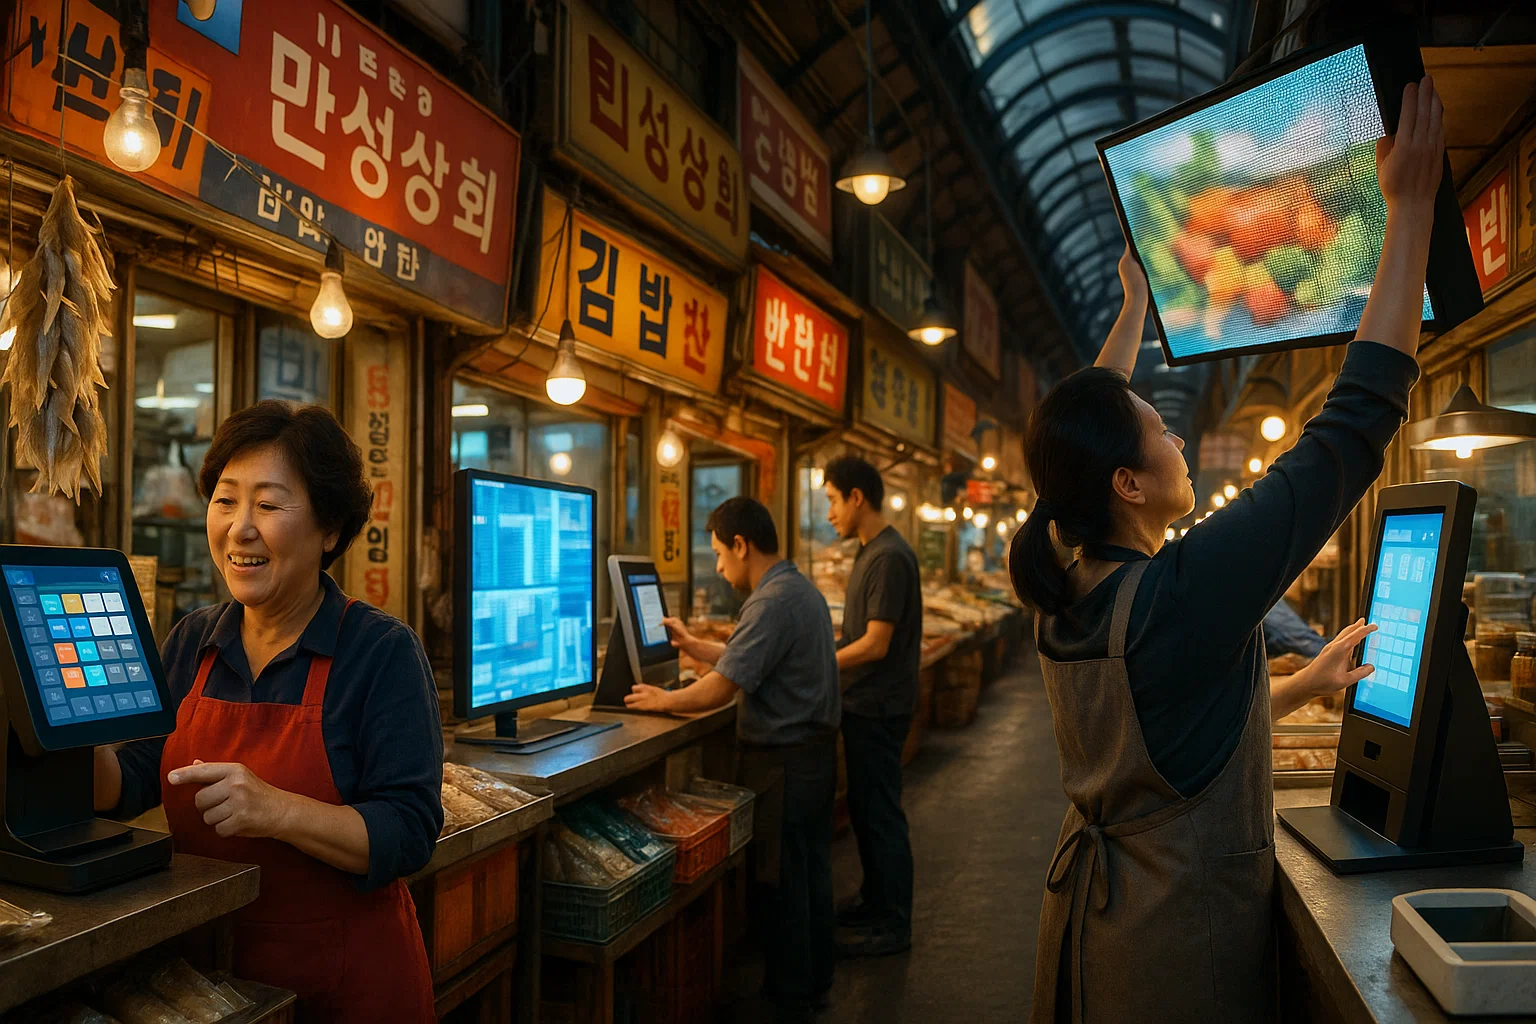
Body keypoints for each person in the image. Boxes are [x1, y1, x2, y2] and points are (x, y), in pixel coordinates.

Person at [1008, 77, 1444, 1024]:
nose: (1174, 437)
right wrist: (1407, 213)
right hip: (1174, 958)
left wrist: (1296, 685)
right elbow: (1353, 428)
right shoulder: (1181, 589)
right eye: (1157, 431)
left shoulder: (1065, 574)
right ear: (1126, 484)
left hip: (1092, 936)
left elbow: (1166, 734)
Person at [94, 401, 441, 1024]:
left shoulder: (381, 652)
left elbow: (408, 832)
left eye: (269, 505)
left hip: (346, 987)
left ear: (330, 528)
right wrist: (66, 739)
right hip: (210, 985)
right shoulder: (193, 641)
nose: (239, 528)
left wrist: (277, 809)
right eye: (225, 500)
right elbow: (138, 776)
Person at [625, 497, 840, 1024]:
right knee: (808, 875)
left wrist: (665, 700)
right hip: (812, 761)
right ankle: (811, 982)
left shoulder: (771, 600)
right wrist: (696, 645)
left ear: (742, 546)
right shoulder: (794, 588)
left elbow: (722, 689)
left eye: (721, 554)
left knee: (784, 883)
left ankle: (790, 999)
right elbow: (753, 660)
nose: (719, 567)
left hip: (786, 766)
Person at [822, 455, 921, 957]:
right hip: (865, 704)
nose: (830, 513)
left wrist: (819, 662)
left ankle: (893, 922)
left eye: (833, 501)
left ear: (856, 497)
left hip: (879, 707)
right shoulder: (869, 552)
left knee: (880, 812)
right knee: (866, 809)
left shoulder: (887, 557)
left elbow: (876, 643)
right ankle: (875, 900)